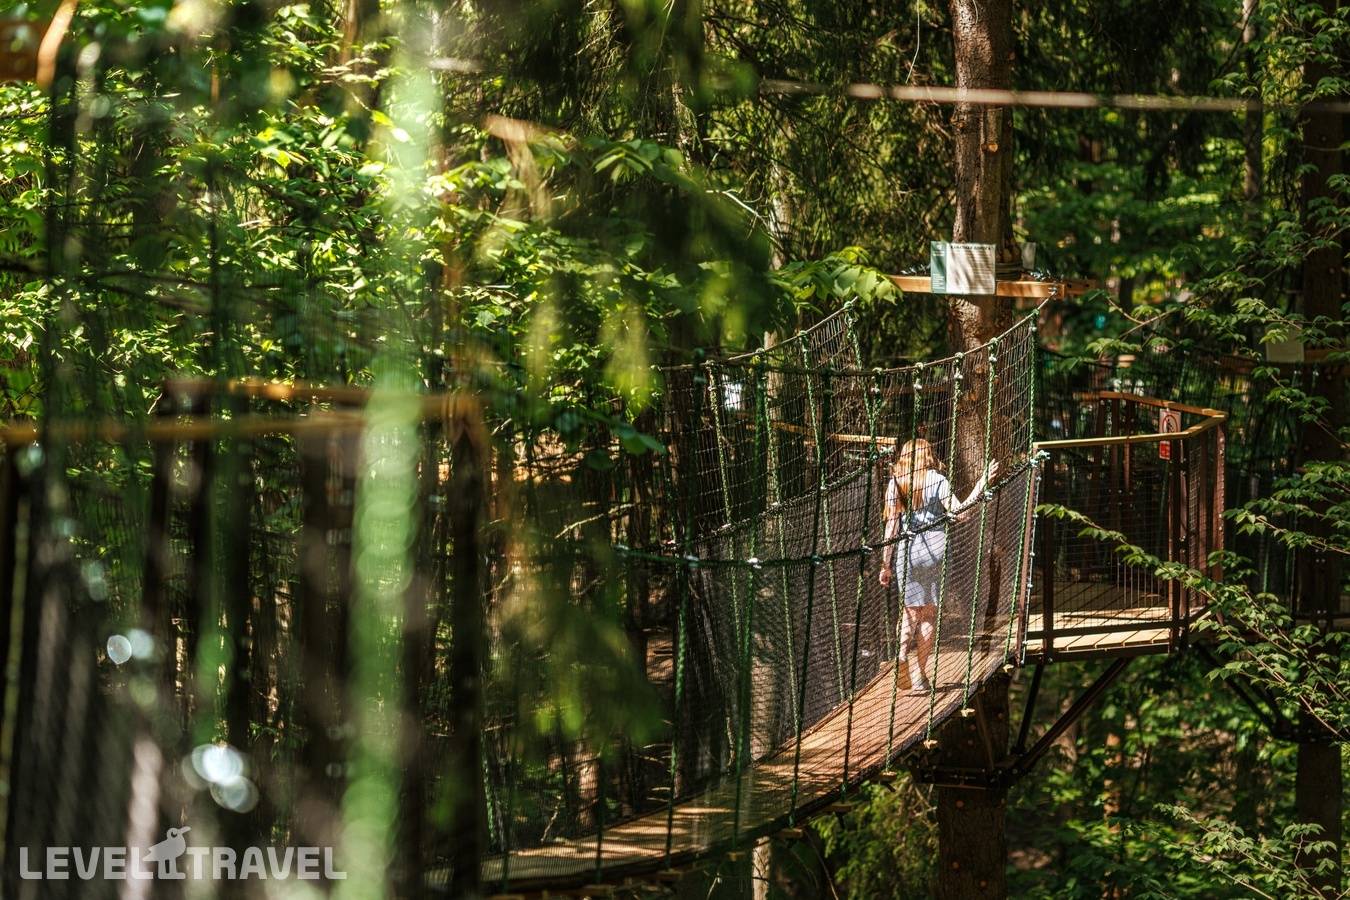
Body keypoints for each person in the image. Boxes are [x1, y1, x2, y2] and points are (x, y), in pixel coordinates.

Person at [879, 438, 997, 694]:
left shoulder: (896, 482)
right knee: (929, 615)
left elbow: (891, 527)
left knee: (909, 612)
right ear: (928, 455)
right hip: (936, 552)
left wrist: (885, 564)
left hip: (908, 552)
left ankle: (901, 655)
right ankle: (920, 676)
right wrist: (980, 485)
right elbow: (961, 513)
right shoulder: (938, 480)